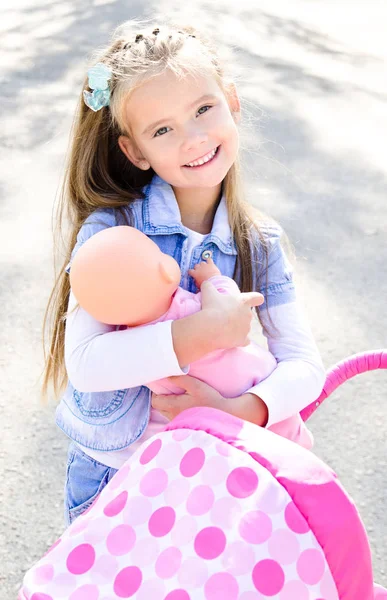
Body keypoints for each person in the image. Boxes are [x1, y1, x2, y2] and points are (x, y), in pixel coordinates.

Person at [42, 19, 325, 525]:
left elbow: (303, 364)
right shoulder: (112, 230)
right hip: (119, 477)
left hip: (220, 476)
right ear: (135, 151)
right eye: (163, 129)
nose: (193, 138)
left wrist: (249, 410)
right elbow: (85, 363)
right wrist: (197, 334)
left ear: (231, 100)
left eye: (203, 109)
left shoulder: (258, 241)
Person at [69, 225, 312, 446]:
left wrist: (233, 412)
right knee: (288, 436)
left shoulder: (132, 345)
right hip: (256, 383)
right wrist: (213, 280)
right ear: (167, 271)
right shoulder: (189, 307)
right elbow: (228, 300)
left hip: (194, 448)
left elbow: (304, 363)